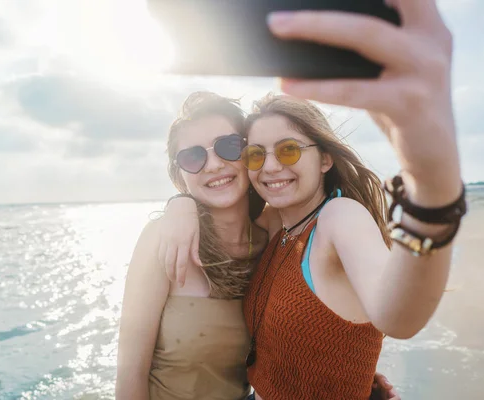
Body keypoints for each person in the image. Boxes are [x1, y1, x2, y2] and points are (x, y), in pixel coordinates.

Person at [160, 0, 466, 398]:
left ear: (324, 158)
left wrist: (432, 188)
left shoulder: (339, 217)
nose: (269, 167)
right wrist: (180, 204)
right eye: (256, 154)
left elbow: (399, 317)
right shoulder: (275, 225)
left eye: (287, 150)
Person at [116, 92, 399, 400]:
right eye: (192, 157)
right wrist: (179, 204)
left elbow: (304, 326)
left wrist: (350, 375)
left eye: (229, 147)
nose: (213, 165)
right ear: (179, 173)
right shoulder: (163, 239)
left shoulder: (273, 237)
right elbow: (130, 375)